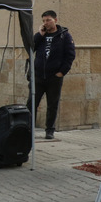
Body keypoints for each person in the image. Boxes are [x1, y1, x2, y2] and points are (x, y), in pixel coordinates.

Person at [30, 10, 75, 139]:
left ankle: (49, 130)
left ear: (55, 20)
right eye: (44, 21)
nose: (46, 23)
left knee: (52, 104)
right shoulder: (41, 35)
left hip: (54, 77)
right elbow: (31, 48)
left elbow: (70, 55)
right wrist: (39, 34)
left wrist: (61, 72)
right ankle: (29, 129)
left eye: (48, 20)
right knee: (32, 103)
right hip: (39, 76)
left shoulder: (64, 36)